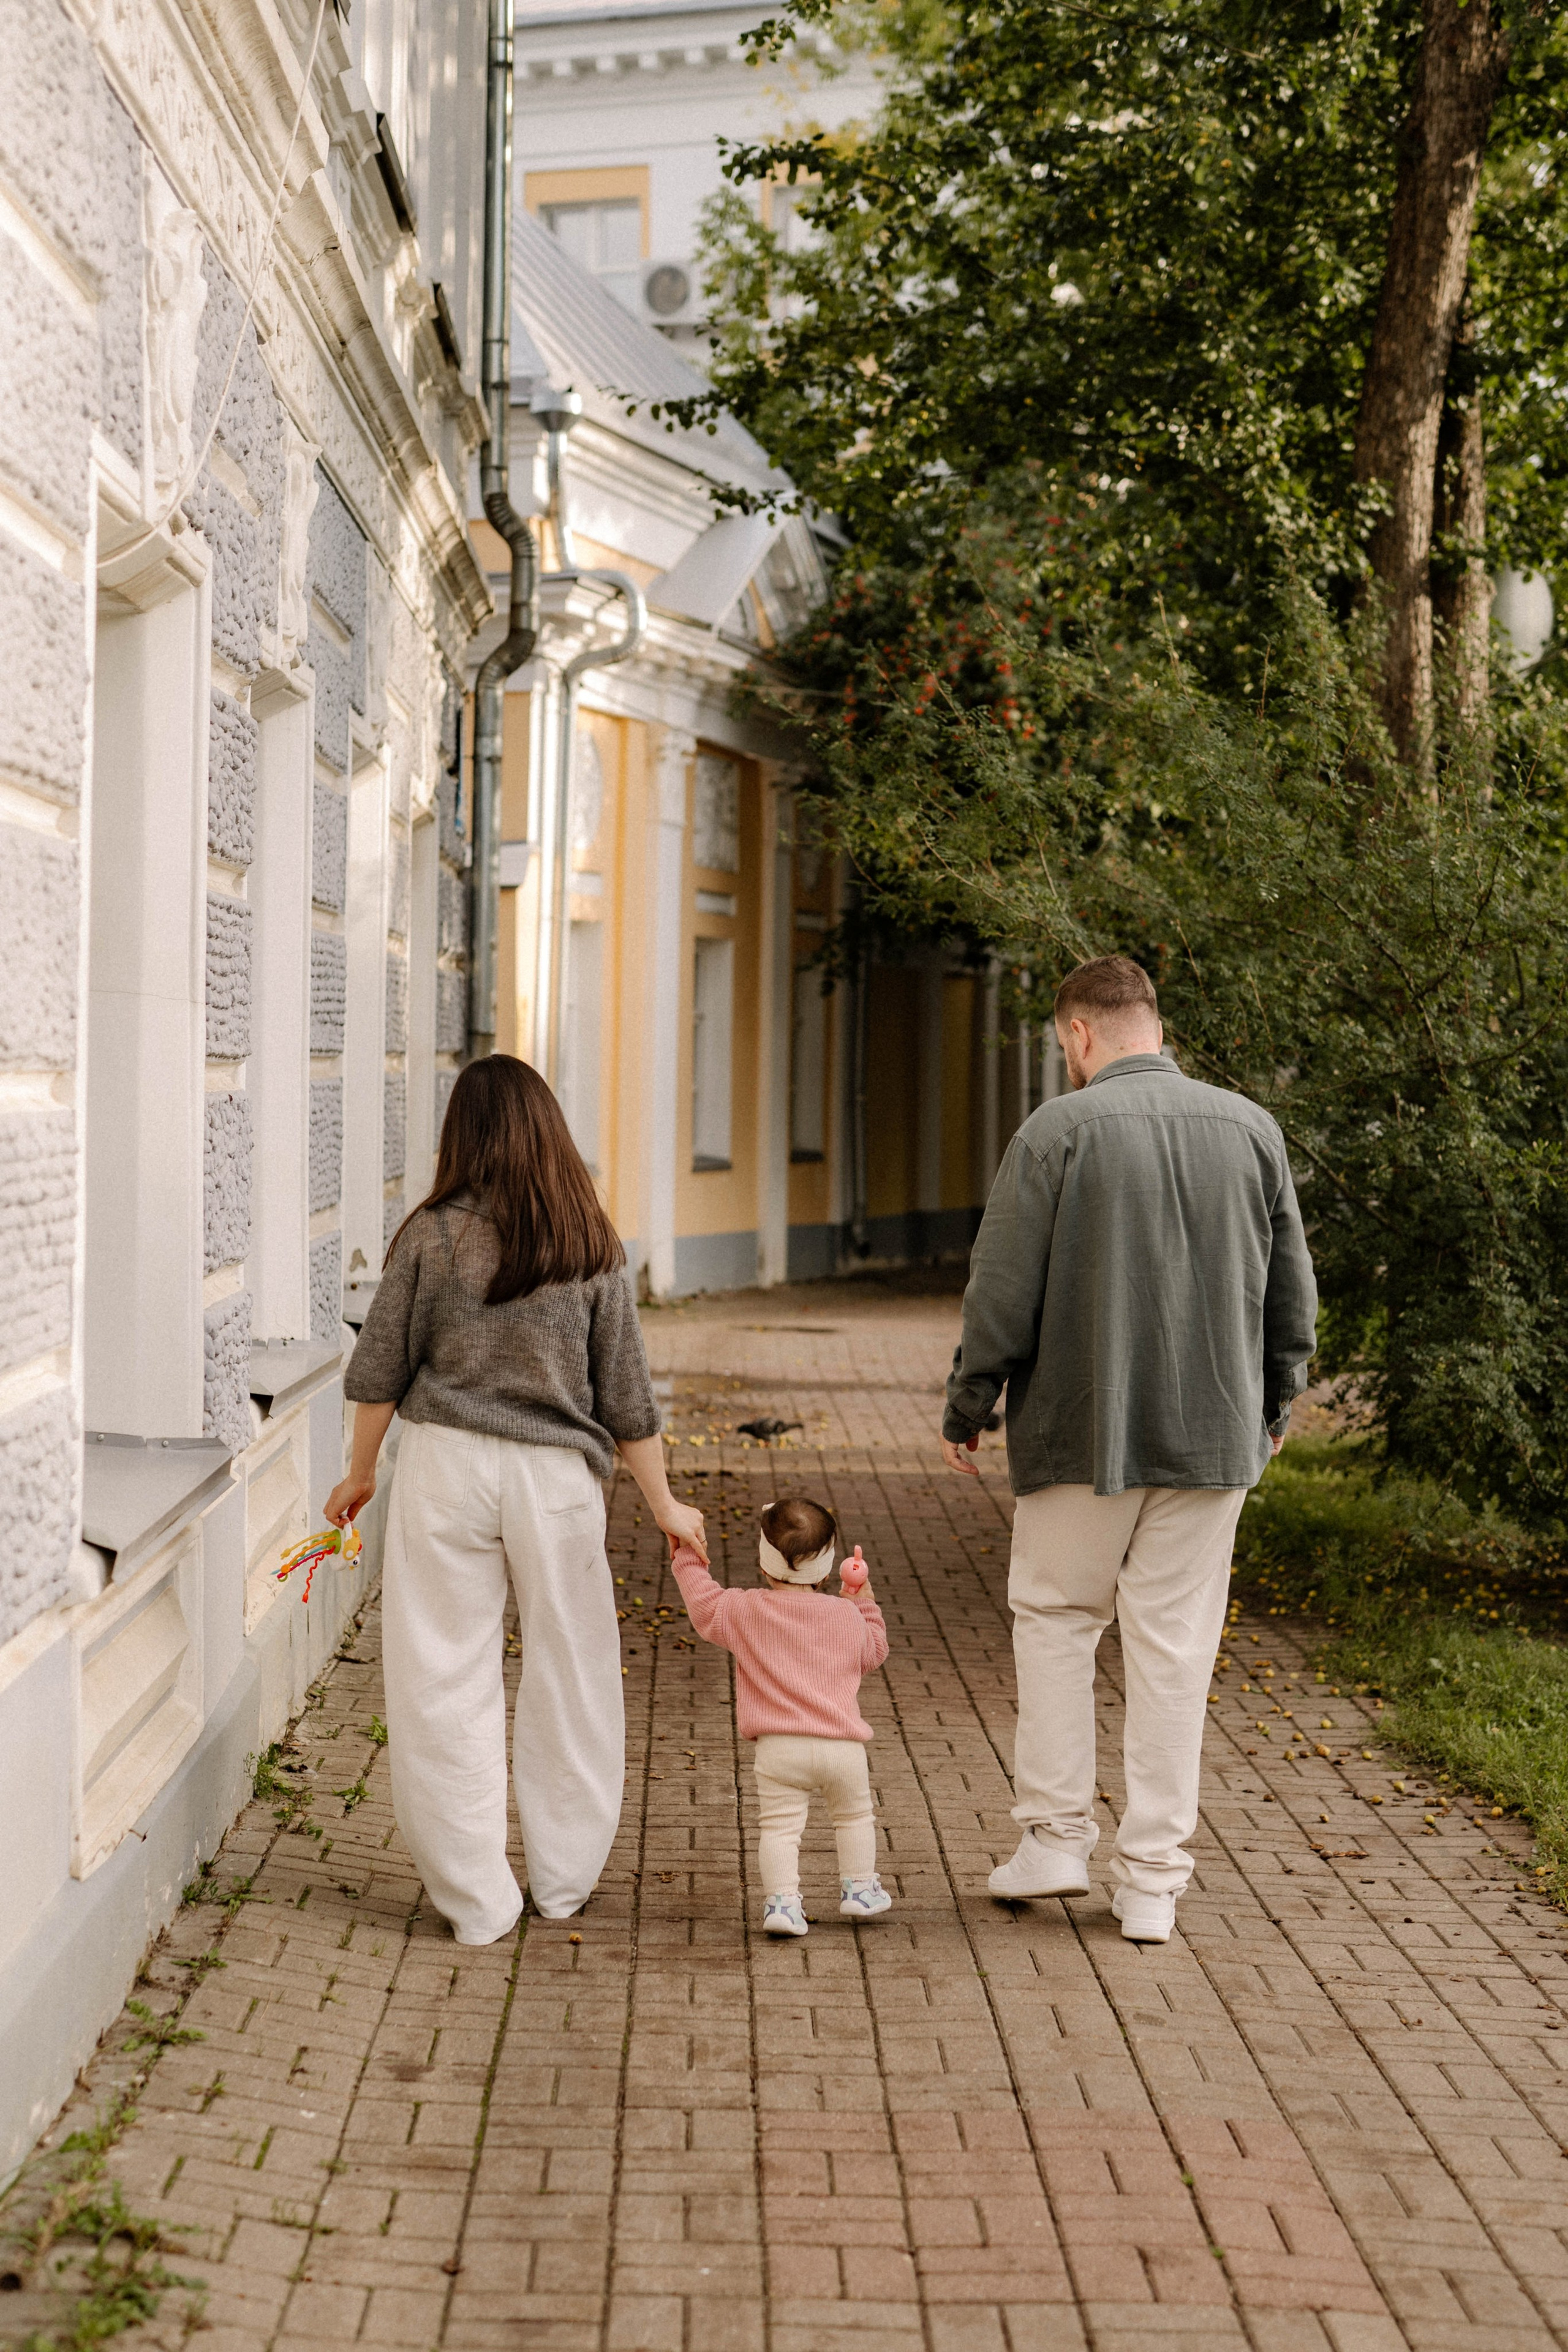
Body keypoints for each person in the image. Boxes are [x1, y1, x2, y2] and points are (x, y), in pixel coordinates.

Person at [943, 956, 1317, 1944]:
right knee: (1175, 1651)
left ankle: (1056, 1839)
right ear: (1152, 1024)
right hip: (1214, 1434)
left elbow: (1000, 1287)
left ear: (1078, 1035)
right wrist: (1278, 1398)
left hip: (1082, 1432)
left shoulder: (1056, 1133)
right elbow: (1293, 1292)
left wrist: (969, 1402)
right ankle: (1151, 1883)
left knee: (1059, 1621)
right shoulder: (1251, 1131)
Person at [324, 1055, 705, 1945]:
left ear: (465, 1132)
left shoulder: (430, 1235)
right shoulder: (590, 1242)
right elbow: (628, 1398)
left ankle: (476, 1902)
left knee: (441, 1676)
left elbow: (378, 1372)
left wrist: (360, 1472)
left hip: (445, 1467)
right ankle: (565, 1882)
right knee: (571, 1674)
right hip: (557, 1483)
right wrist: (664, 1503)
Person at [669, 1497, 892, 1936]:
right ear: (828, 1569)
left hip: (779, 1750)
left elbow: (702, 1603)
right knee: (853, 1817)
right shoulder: (845, 1615)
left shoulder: (744, 1608)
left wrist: (686, 1555)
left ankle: (783, 1905)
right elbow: (875, 1652)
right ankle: (861, 1891)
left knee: (779, 1829)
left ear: (764, 1564)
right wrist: (862, 1600)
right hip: (842, 1749)